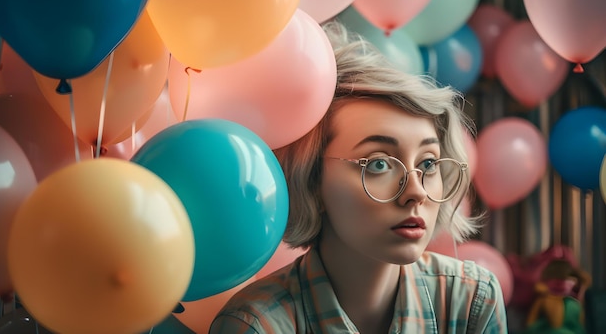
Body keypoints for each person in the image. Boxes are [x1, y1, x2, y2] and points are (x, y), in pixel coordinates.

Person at [209, 21, 508, 334]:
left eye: (429, 163)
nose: (417, 192)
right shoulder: (254, 325)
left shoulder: (473, 299)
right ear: (312, 180)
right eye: (378, 164)